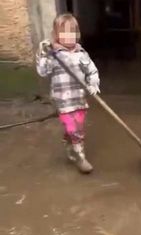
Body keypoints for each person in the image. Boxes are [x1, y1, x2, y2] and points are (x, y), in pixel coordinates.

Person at [36, 13, 100, 174]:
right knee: (74, 128)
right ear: (56, 35)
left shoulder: (81, 54)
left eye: (73, 32)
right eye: (64, 33)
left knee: (75, 126)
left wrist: (93, 84)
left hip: (79, 99)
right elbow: (43, 71)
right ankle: (81, 156)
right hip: (63, 101)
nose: (69, 36)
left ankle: (69, 141)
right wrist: (43, 53)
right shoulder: (54, 55)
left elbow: (92, 71)